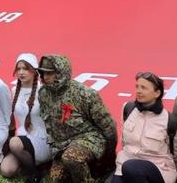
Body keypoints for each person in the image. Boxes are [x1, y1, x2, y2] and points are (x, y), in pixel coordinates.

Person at [37, 54, 117, 182]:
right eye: (43, 73)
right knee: (56, 179)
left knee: (71, 158)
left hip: (89, 138)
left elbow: (109, 127)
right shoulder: (43, 94)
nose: (45, 77)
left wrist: (109, 156)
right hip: (63, 145)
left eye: (50, 73)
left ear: (61, 73)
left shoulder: (85, 94)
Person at [113, 72, 177, 183]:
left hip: (158, 168)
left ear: (157, 93)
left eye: (144, 88)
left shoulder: (170, 120)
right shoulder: (128, 109)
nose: (138, 91)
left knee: (131, 167)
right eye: (137, 86)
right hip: (125, 165)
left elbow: (176, 153)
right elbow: (124, 142)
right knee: (129, 167)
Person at [0, 53, 51, 181]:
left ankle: (33, 174)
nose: (21, 72)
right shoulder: (13, 90)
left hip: (41, 139)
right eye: (18, 69)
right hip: (22, 139)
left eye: (26, 68)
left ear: (34, 71)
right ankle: (36, 165)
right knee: (6, 170)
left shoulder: (44, 91)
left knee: (14, 142)